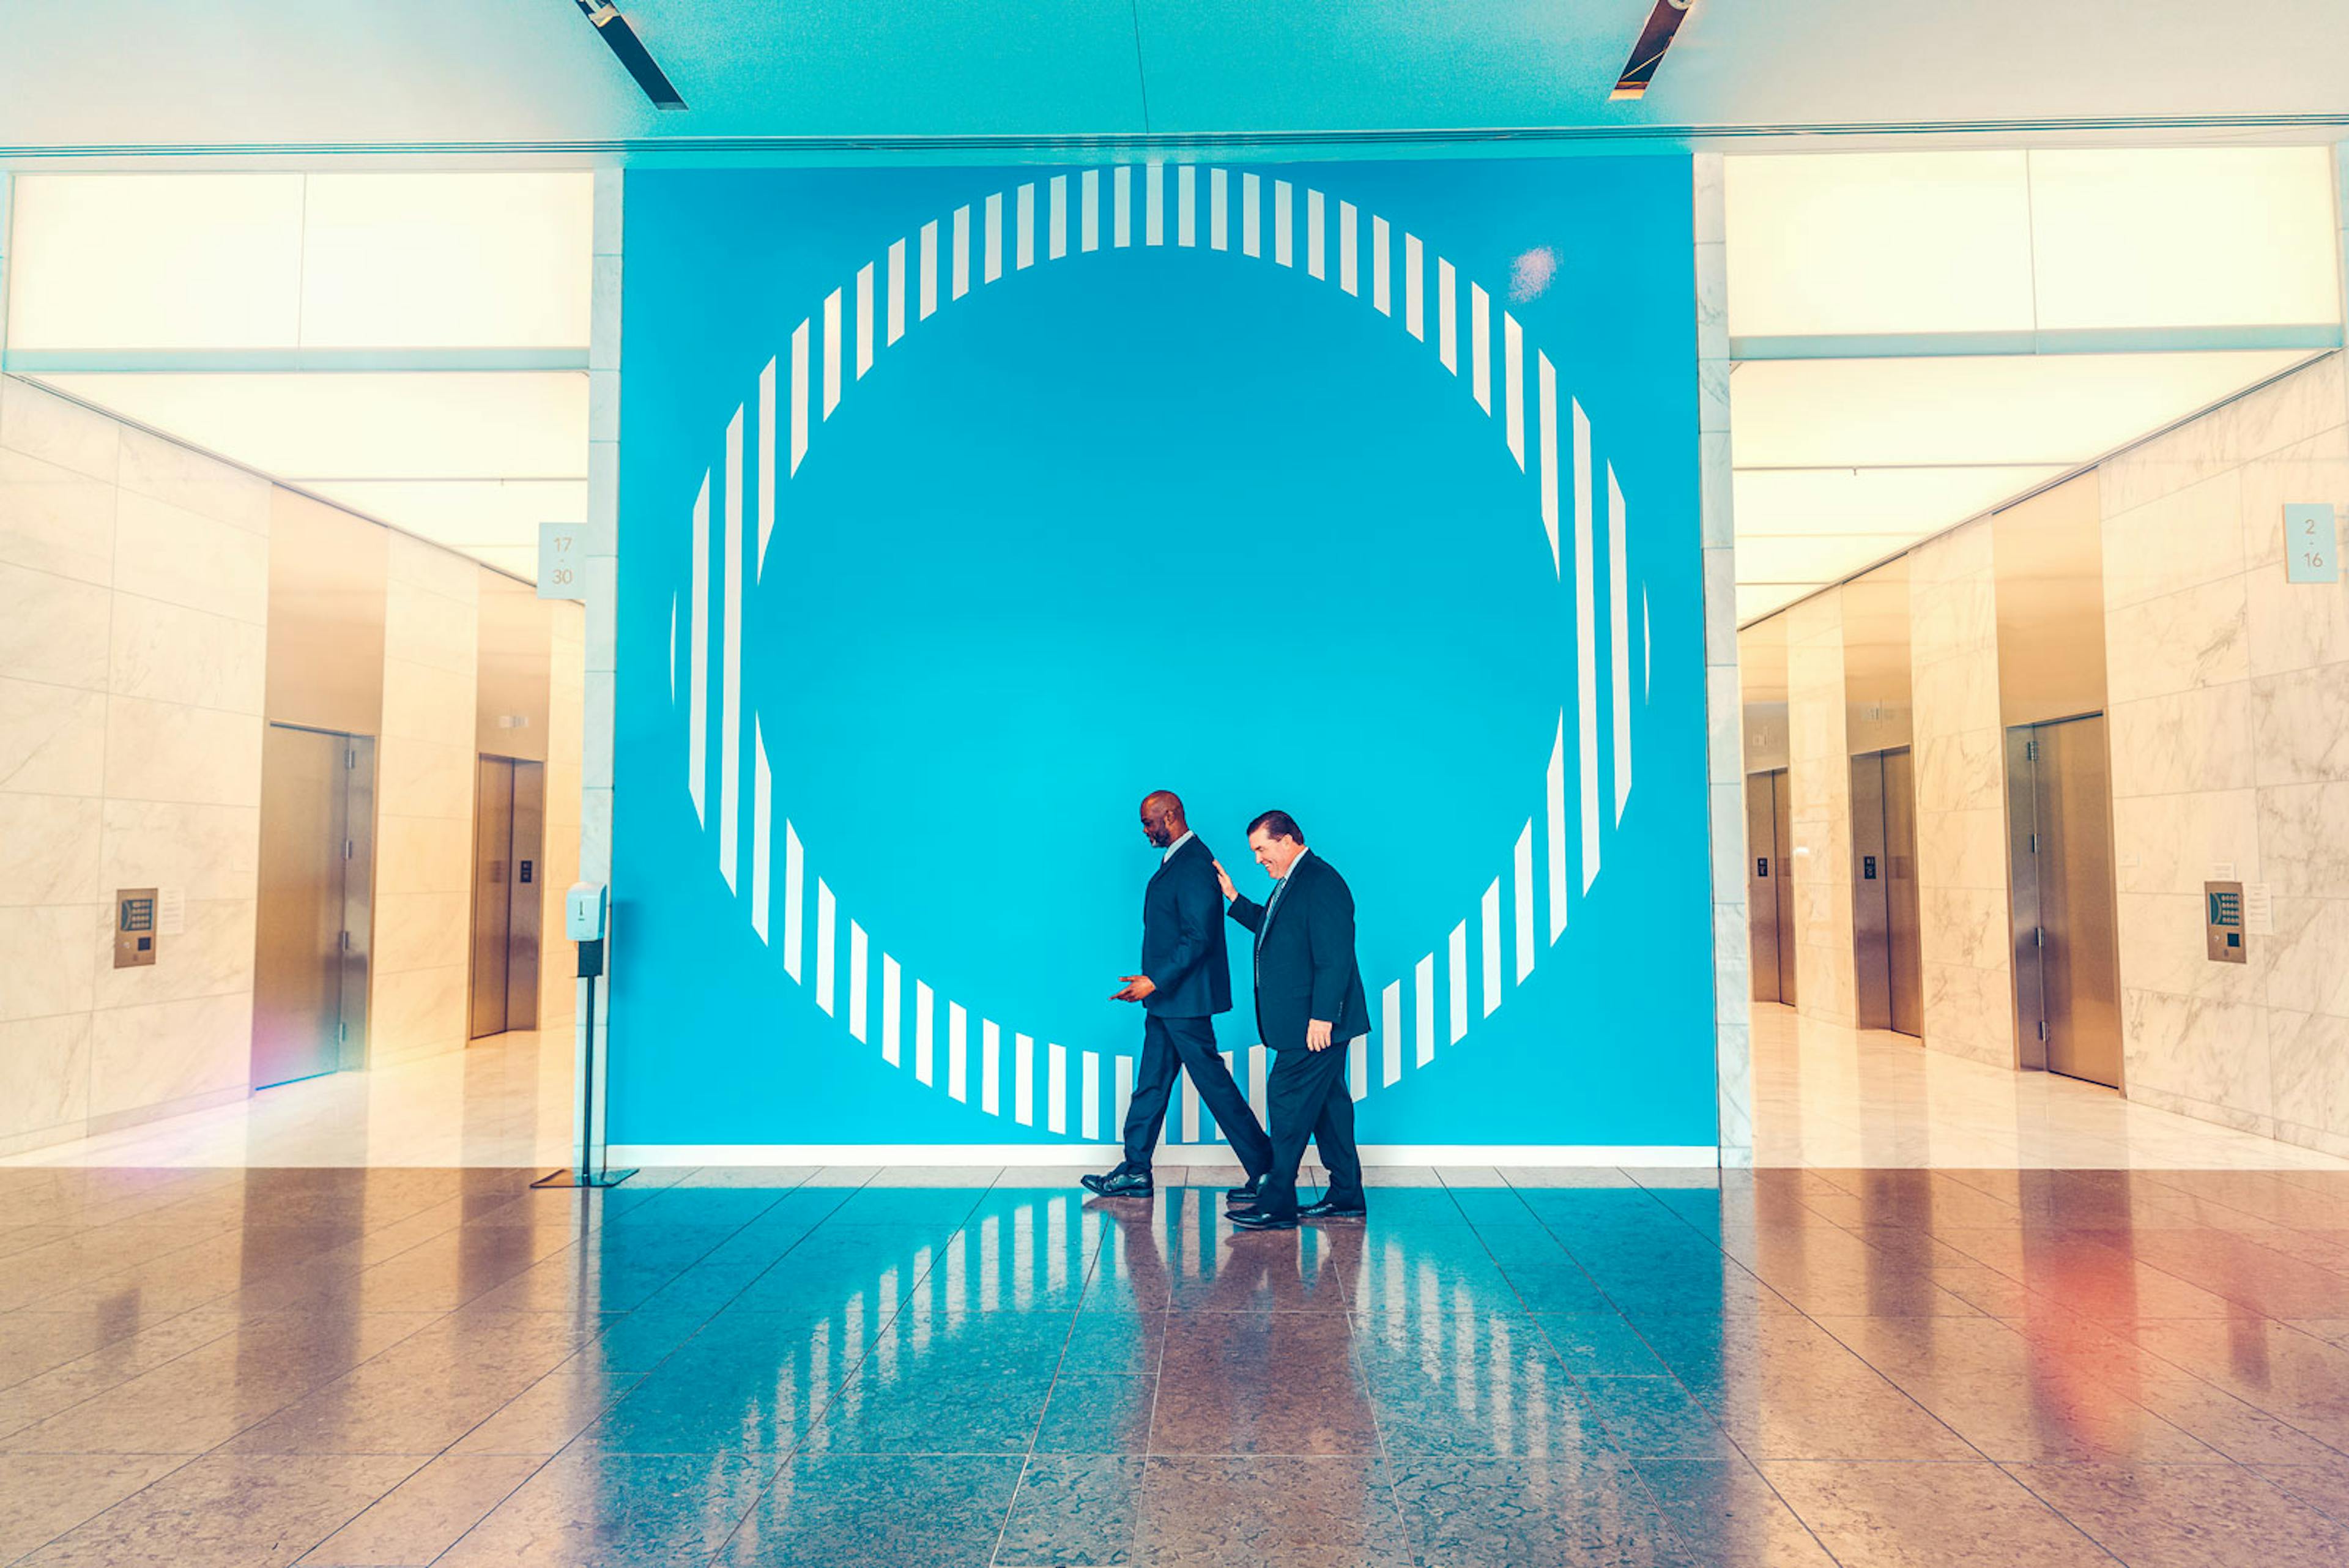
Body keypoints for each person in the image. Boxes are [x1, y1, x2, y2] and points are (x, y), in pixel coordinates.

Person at [1082, 790, 1273, 1202]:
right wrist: (1154, 985)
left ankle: (1267, 1170)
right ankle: (1135, 1169)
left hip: (1183, 1001)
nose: (1146, 832)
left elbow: (1198, 936)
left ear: (1170, 816)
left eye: (1149, 823)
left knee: (1215, 1087)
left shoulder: (1193, 863)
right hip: (1170, 1001)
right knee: (1151, 1083)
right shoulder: (1178, 861)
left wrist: (1155, 980)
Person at [1215, 809, 1368, 1231]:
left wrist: (1323, 1017)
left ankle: (1278, 1203)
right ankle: (1346, 1196)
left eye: (1262, 849)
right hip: (1305, 1022)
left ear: (1286, 840)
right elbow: (1273, 930)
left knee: (1286, 1099)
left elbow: (1335, 956)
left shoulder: (1322, 882)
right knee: (1329, 1109)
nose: (1258, 859)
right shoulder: (1291, 882)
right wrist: (1234, 899)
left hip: (1315, 1025)